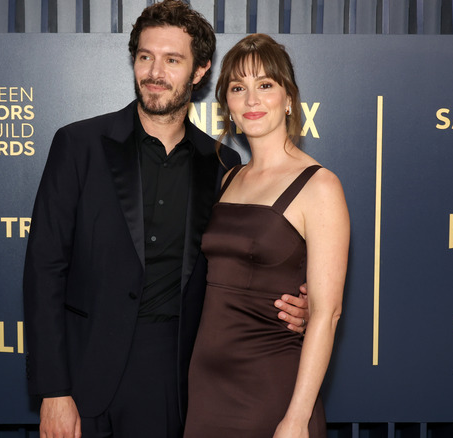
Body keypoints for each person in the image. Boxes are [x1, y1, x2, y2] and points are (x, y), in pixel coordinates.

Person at [22, 3, 309, 438]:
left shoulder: (222, 165)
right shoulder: (79, 145)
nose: (154, 72)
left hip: (173, 380)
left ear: (199, 71)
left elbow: (238, 262)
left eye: (172, 60)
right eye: (144, 56)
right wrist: (54, 390)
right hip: (83, 376)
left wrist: (293, 308)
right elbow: (43, 271)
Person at [184, 34, 350, 438]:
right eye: (239, 88)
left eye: (265, 85)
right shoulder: (228, 177)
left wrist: (296, 418)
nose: (252, 100)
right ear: (228, 106)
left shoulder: (320, 186)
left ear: (289, 98)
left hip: (270, 388)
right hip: (205, 388)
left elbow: (326, 314)